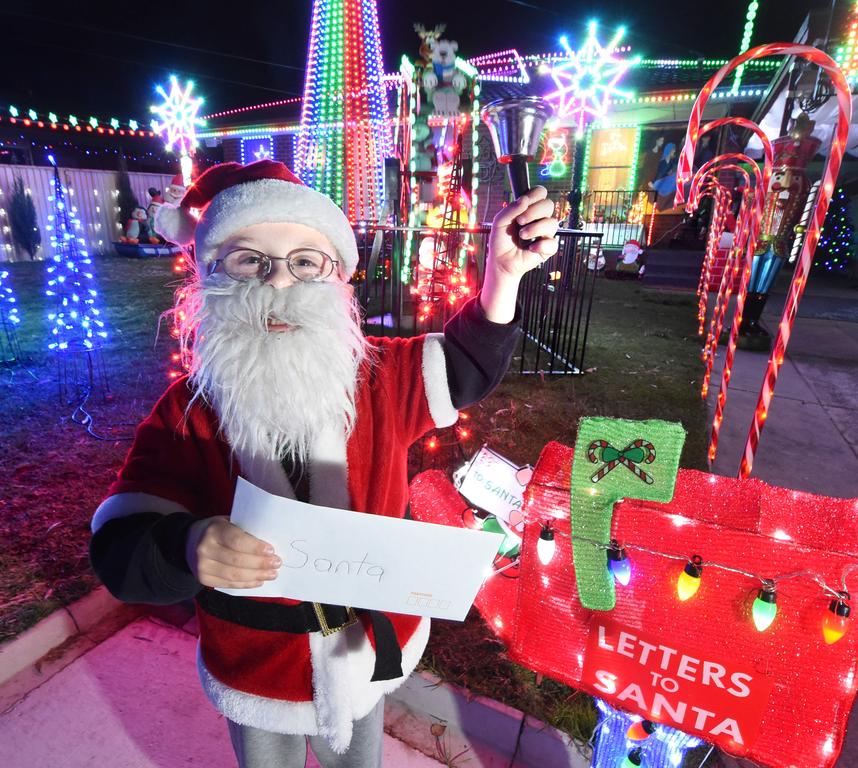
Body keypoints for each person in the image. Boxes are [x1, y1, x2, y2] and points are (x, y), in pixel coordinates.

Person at [88, 160, 559, 768]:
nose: (278, 283)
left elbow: (466, 363)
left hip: (364, 652)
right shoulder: (189, 413)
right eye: (248, 260)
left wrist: (501, 278)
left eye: (304, 262)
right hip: (257, 669)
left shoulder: (380, 379)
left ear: (338, 276)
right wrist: (186, 545)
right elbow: (121, 545)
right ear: (209, 275)